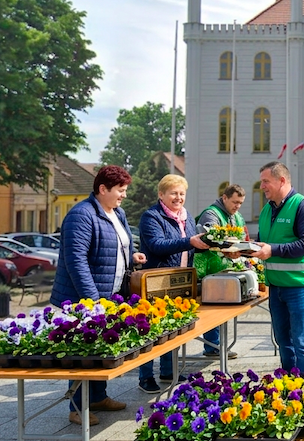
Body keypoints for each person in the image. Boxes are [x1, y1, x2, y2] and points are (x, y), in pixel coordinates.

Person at [50, 165, 146, 426]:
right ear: (102, 189)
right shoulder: (81, 215)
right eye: (121, 190)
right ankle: (76, 408)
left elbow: (123, 243)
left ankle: (98, 397)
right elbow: (76, 261)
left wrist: (132, 256)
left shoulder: (118, 212)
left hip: (111, 295)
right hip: (82, 299)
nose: (124, 195)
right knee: (82, 352)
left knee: (100, 349)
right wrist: (93, 302)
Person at [137, 174, 209, 393]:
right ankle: (145, 376)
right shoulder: (151, 216)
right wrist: (189, 241)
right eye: (173, 193)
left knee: (174, 328)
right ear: (161, 195)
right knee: (150, 331)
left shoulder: (187, 217)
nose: (178, 198)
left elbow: (194, 246)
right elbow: (157, 245)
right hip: (156, 281)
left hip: (181, 281)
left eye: (182, 193)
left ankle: (169, 370)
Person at [250, 161, 304, 375]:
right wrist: (243, 250)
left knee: (302, 341)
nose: (262, 186)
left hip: (300, 286)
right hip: (277, 287)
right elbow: (263, 243)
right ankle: (290, 385)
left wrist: (273, 250)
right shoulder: (266, 211)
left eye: (265, 181)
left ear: (282, 181)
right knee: (283, 340)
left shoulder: (303, 206)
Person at [195, 184, 247, 359]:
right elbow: (209, 239)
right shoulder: (211, 214)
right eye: (234, 202)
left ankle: (216, 345)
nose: (237, 206)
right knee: (213, 309)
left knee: (221, 309)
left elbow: (242, 237)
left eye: (240, 203)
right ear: (224, 198)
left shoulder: (236, 216)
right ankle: (212, 347)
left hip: (225, 268)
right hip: (209, 268)